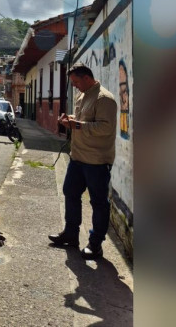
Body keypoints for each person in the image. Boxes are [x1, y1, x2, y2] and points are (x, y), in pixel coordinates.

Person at [49, 64, 118, 259]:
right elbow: (81, 119)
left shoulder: (104, 99)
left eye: (76, 82)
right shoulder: (82, 95)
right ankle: (71, 234)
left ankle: (95, 244)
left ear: (87, 78)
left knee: (98, 202)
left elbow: (105, 127)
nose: (75, 86)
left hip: (96, 160)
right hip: (78, 156)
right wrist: (69, 120)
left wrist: (76, 124)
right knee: (70, 192)